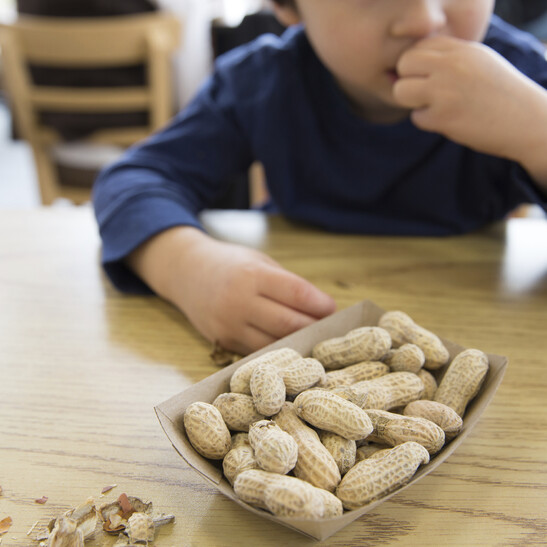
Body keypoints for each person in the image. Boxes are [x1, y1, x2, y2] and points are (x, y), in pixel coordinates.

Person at [93, 0, 547, 356]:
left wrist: (535, 130)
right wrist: (189, 268)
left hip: (487, 339)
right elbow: (134, 179)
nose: (424, 19)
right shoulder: (260, 82)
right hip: (294, 336)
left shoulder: (524, 80)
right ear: (287, 6)